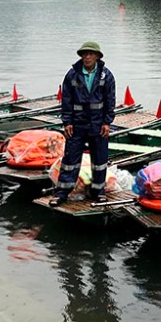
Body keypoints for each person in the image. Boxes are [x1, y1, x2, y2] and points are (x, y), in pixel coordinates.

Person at [49, 40, 116, 205]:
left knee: (100, 160)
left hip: (98, 125)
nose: (87, 57)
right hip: (77, 125)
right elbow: (66, 100)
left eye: (90, 54)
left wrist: (107, 122)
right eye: (84, 54)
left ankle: (98, 191)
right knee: (70, 159)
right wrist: (67, 122)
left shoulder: (106, 75)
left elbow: (110, 101)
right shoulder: (72, 75)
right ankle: (62, 192)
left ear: (97, 57)